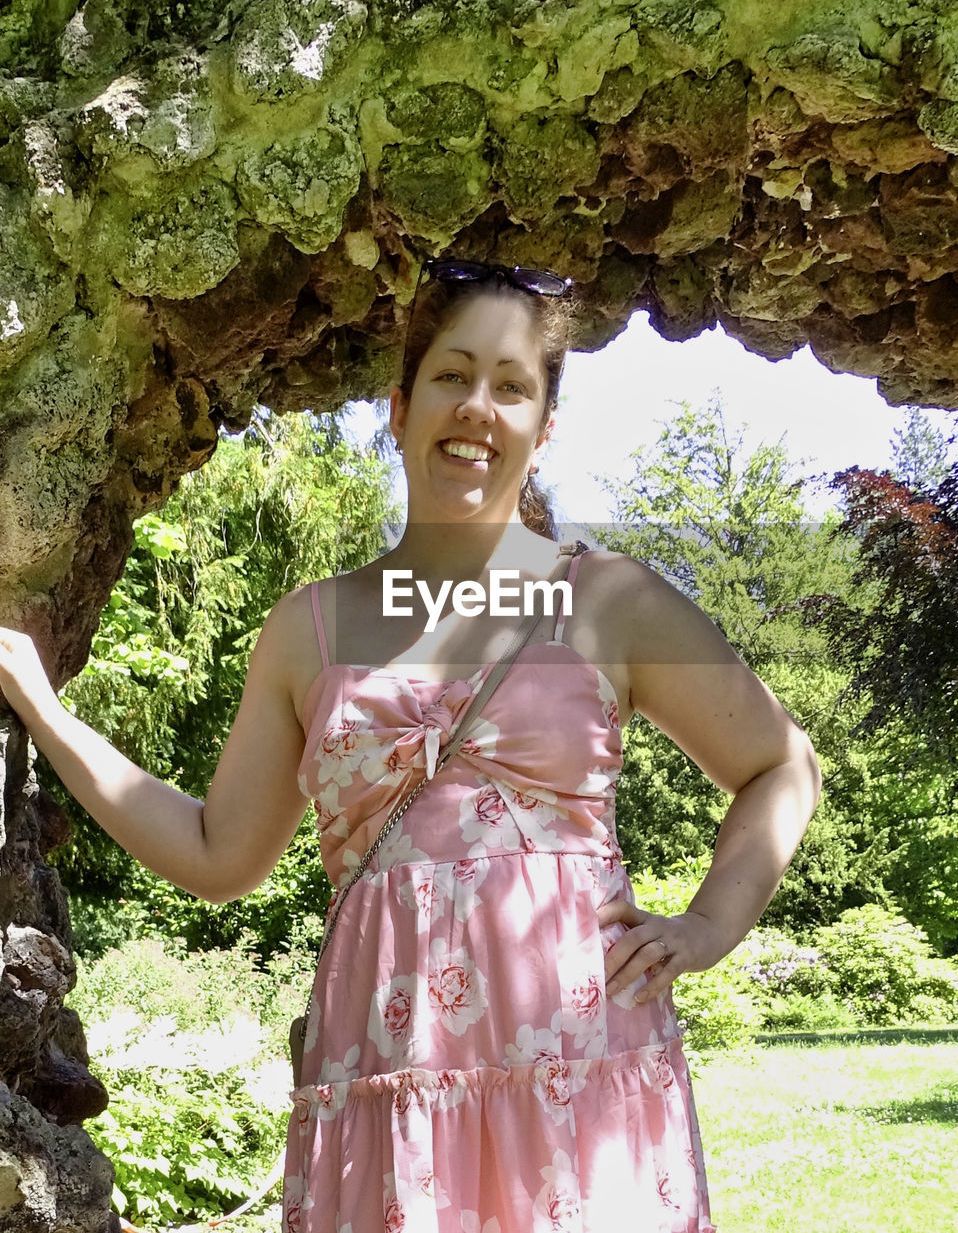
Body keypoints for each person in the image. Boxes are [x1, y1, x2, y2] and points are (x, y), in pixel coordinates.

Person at [0, 257, 821, 1233]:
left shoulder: (608, 601)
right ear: (398, 405)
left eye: (512, 386)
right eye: (452, 374)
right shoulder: (311, 627)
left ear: (544, 427)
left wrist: (705, 927)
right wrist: (46, 712)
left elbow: (782, 764)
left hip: (583, 1067)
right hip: (388, 1082)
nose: (478, 405)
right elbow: (219, 852)